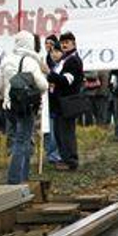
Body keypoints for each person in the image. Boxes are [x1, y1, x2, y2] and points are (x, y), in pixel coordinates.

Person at [0, 31, 49, 184]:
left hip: (9, 106)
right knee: (23, 140)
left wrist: (6, 96)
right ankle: (16, 179)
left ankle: (22, 176)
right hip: (25, 107)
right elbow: (43, 85)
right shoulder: (31, 61)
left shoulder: (5, 60)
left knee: (15, 139)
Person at [47, 31, 84, 170]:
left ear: (73, 44)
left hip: (67, 102)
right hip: (60, 102)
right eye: (62, 42)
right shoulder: (64, 59)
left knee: (66, 133)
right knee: (59, 132)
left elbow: (66, 81)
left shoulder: (72, 60)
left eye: (67, 42)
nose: (64, 45)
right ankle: (65, 158)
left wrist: (49, 74)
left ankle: (70, 161)